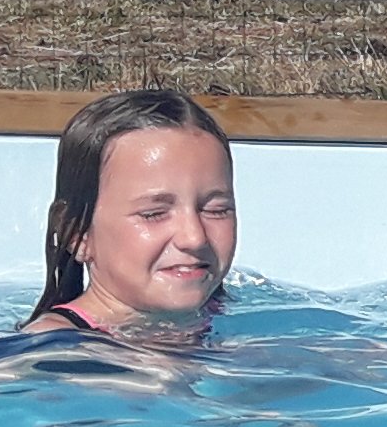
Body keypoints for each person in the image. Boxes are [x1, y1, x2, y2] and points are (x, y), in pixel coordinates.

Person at [25, 85, 238, 345]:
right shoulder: (52, 346)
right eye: (153, 214)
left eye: (216, 210)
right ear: (79, 234)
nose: (194, 238)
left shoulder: (221, 316)